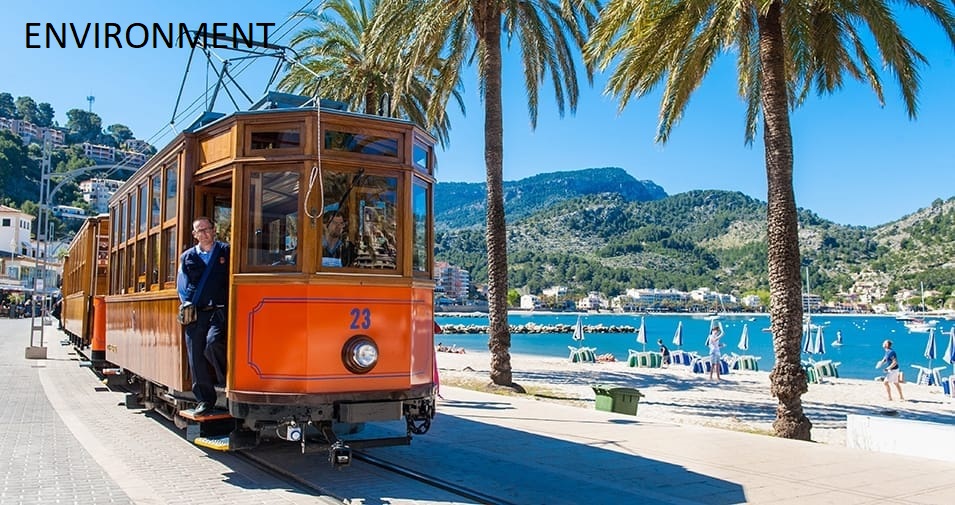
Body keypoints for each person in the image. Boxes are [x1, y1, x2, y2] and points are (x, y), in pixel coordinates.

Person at [177, 217, 230, 416]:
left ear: (214, 230)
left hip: (219, 310)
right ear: (195, 235)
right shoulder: (187, 257)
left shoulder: (226, 251)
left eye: (208, 229)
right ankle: (205, 400)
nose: (205, 233)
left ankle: (225, 381)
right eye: (200, 230)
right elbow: (182, 286)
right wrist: (186, 304)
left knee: (213, 343)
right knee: (195, 353)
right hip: (197, 311)